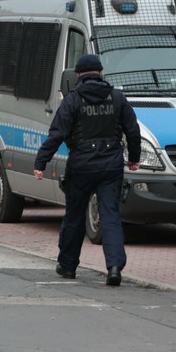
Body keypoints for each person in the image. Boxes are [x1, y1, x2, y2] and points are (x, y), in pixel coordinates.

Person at [34, 53, 140, 286]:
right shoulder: (117, 98)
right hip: (111, 165)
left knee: (74, 216)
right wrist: (133, 158)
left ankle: (68, 266)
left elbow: (57, 134)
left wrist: (41, 163)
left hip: (81, 166)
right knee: (110, 216)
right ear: (101, 73)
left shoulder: (72, 100)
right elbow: (132, 131)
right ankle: (114, 267)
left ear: (79, 75)